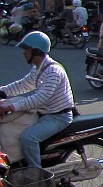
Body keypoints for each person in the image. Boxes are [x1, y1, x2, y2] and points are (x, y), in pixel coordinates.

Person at [0, 32, 75, 169]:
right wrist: (2, 92)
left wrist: (12, 107)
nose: (24, 54)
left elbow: (39, 98)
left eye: (26, 50)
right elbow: (23, 85)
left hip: (58, 116)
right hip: (46, 113)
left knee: (28, 138)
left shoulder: (53, 71)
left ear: (35, 51)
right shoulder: (39, 69)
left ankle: (36, 173)